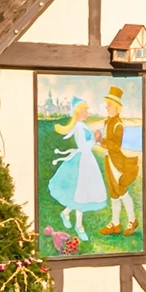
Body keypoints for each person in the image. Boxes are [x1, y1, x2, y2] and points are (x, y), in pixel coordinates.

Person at [47, 98, 109, 242]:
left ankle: (65, 213)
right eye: (84, 110)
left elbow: (87, 144)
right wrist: (95, 139)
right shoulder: (79, 127)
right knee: (81, 194)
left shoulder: (82, 125)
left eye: (87, 109)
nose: (87, 112)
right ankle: (79, 226)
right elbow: (84, 147)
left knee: (81, 194)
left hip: (87, 160)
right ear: (77, 112)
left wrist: (95, 137)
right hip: (81, 162)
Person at [100, 86, 141, 236]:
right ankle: (115, 224)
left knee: (121, 191)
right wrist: (102, 140)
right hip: (108, 160)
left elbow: (115, 147)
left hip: (116, 162)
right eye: (107, 104)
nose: (107, 107)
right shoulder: (108, 122)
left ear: (117, 107)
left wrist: (101, 141)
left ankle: (132, 220)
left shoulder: (118, 124)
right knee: (113, 192)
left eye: (109, 105)